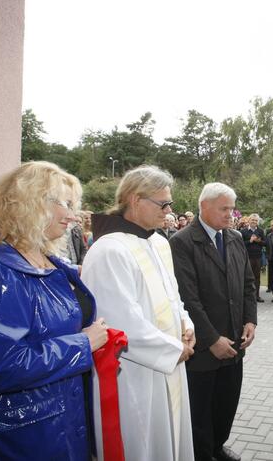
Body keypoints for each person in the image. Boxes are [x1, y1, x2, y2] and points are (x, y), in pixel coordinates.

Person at [0, 161, 108, 460]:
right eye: (63, 203)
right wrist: (84, 343)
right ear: (28, 202)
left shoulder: (49, 262)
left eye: (73, 204)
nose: (73, 214)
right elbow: (3, 367)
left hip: (63, 418)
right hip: (29, 434)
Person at [82, 165, 195, 461]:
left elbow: (173, 295)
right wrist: (174, 349)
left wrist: (186, 324)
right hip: (136, 372)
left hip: (170, 358)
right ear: (134, 200)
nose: (169, 211)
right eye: (163, 203)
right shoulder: (109, 250)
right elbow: (121, 322)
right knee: (144, 442)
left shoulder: (158, 242)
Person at [170, 182, 258, 461]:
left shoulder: (233, 238)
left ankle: (218, 446)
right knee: (201, 409)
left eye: (232, 209)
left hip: (234, 341)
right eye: (224, 208)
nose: (231, 214)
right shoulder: (182, 242)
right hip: (203, 349)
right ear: (204, 206)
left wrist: (250, 321)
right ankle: (202, 454)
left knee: (226, 403)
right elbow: (188, 298)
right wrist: (211, 340)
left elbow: (248, 284)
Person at [241, 213, 266, 302]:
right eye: (252, 220)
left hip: (258, 257)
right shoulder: (243, 231)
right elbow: (241, 244)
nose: (254, 221)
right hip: (247, 257)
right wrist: (250, 241)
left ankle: (257, 296)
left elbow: (264, 243)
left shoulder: (260, 231)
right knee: (247, 277)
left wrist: (258, 241)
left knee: (257, 277)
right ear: (249, 220)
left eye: (255, 220)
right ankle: (248, 296)